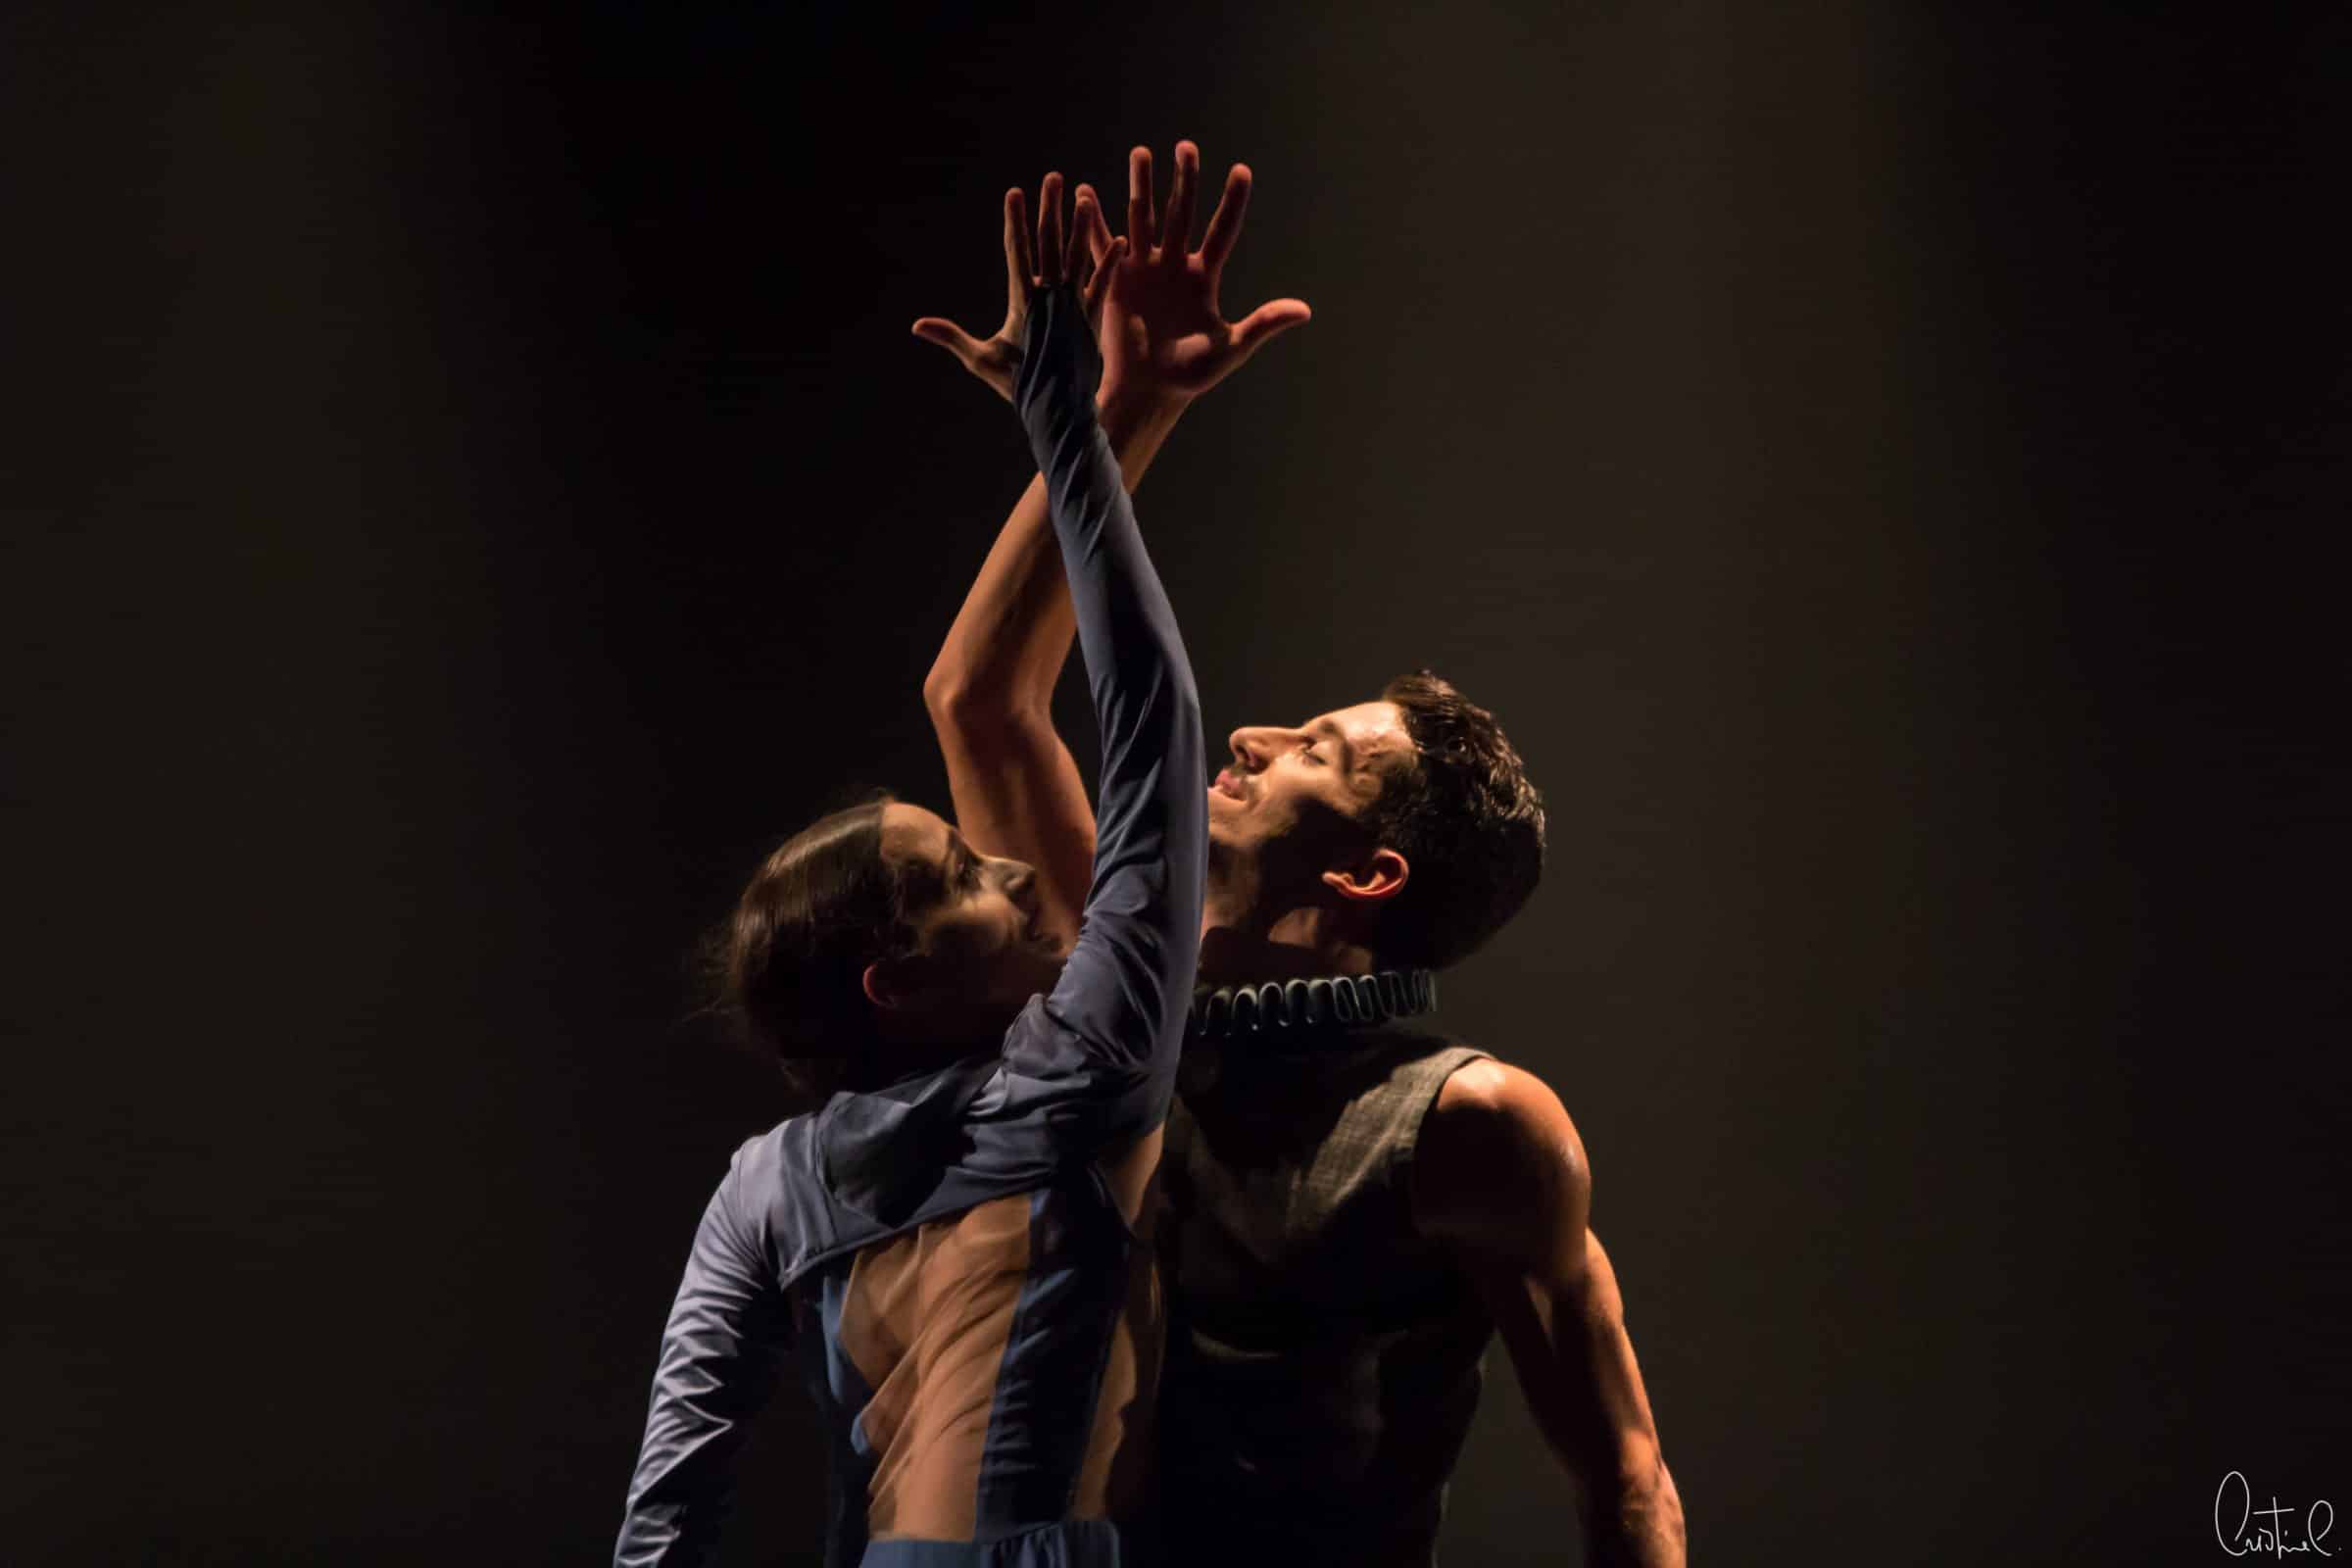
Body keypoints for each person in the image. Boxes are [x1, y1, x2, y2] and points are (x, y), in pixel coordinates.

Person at [915, 141, 1687, 1566]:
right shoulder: (1108, 988)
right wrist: (1121, 410)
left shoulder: (1468, 1125)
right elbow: (981, 702)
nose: (1253, 735)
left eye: (1317, 752)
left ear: (1368, 874)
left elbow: (1626, 1476)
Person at [615, 174, 1204, 1567]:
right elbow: (1151, 735)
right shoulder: (1078, 1074)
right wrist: (1064, 414)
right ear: (897, 978)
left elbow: (670, 1503)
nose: (1015, 871)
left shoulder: (768, 1184)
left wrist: (1107, 413)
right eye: (962, 875)